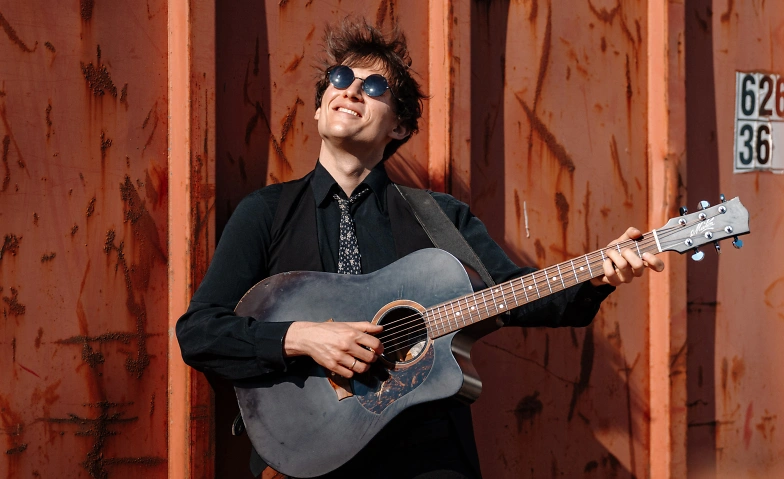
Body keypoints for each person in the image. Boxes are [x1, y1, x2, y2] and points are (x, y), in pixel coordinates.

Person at [176, 18, 665, 479]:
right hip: (308, 453)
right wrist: (302, 337)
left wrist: (596, 274)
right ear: (321, 105)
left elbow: (512, 294)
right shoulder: (265, 212)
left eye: (374, 86)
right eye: (340, 78)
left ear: (400, 127)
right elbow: (199, 333)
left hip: (425, 457)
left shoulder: (440, 217)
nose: (351, 90)